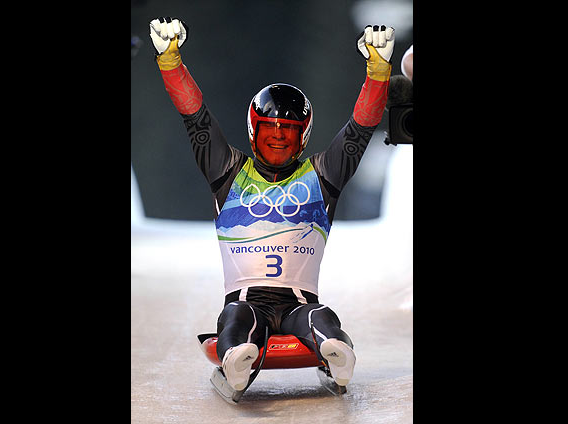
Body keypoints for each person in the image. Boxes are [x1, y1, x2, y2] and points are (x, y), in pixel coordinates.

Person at [149, 17, 396, 392]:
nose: (279, 139)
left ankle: (335, 348)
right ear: (254, 131)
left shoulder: (321, 175)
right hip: (247, 304)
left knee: (320, 316)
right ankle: (239, 354)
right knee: (237, 316)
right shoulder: (228, 171)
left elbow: (359, 131)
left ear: (303, 138)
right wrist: (171, 62)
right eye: (270, 130)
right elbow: (195, 118)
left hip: (300, 305)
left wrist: (378, 73)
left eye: (288, 133)